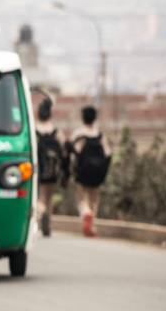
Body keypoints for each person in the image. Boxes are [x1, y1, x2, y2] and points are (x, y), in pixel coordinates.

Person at [67, 105, 111, 237]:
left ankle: (86, 213)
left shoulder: (79, 134)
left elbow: (73, 154)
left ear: (83, 118)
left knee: (82, 199)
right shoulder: (100, 135)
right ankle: (92, 226)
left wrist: (71, 170)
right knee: (94, 200)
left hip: (82, 173)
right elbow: (108, 154)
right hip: (97, 174)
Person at [34, 97, 69, 236]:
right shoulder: (56, 131)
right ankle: (48, 225)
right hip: (53, 169)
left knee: (40, 197)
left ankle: (40, 213)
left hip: (38, 169)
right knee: (49, 196)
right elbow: (65, 151)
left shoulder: (34, 130)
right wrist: (65, 173)